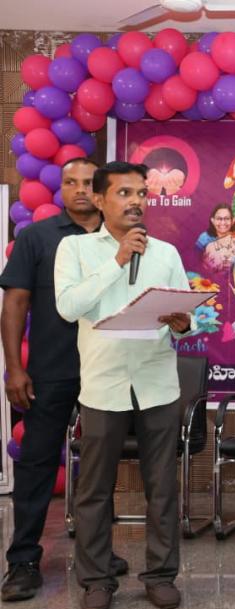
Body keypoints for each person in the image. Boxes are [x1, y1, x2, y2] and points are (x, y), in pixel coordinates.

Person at [54, 161, 194, 609]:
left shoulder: (166, 253)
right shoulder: (75, 249)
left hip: (157, 384)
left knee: (162, 487)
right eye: (124, 193)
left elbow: (184, 314)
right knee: (95, 490)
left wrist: (183, 323)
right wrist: (117, 260)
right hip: (103, 385)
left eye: (141, 193)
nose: (136, 201)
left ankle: (160, 575)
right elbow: (68, 307)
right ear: (99, 200)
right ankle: (97, 581)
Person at [0, 158, 130, 603]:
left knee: (101, 466)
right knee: (36, 464)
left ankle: (99, 554)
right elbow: (15, 303)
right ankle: (22, 562)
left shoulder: (121, 238)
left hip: (107, 368)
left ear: (101, 189)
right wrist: (15, 368)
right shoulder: (37, 237)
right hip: (51, 371)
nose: (79, 190)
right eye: (70, 182)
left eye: (88, 183)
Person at [201, 204, 235, 273]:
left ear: (233, 220)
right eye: (219, 219)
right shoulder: (209, 247)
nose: (223, 222)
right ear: (213, 220)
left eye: (227, 219)